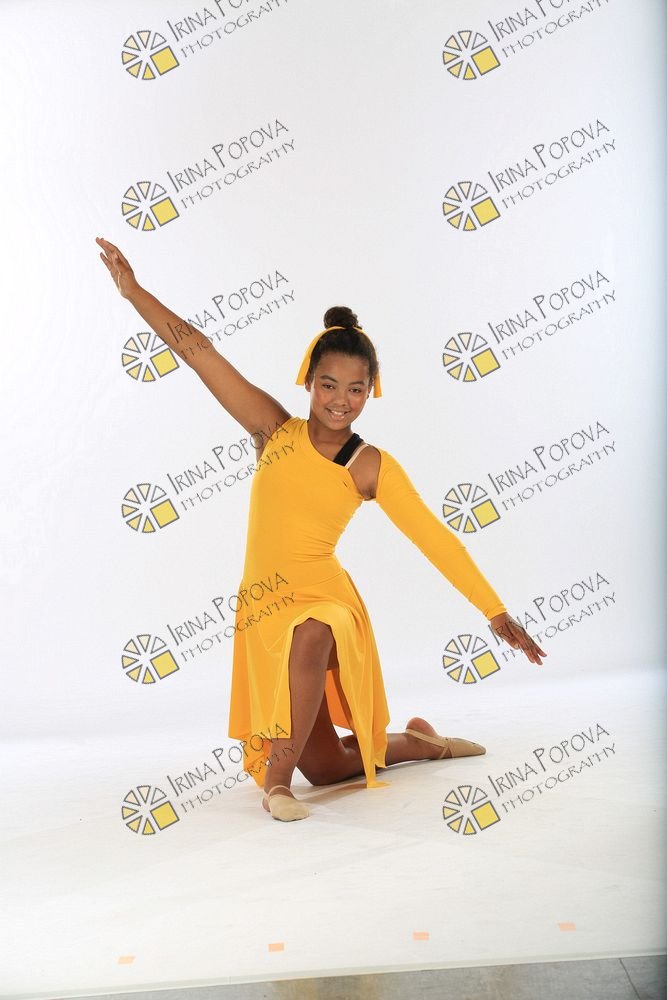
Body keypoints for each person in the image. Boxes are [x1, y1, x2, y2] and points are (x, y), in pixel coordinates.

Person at [96, 236, 547, 823]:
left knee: (313, 633)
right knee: (331, 769)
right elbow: (199, 352)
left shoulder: (370, 465)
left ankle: (276, 785)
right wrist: (133, 292)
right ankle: (420, 743)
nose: (342, 401)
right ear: (309, 380)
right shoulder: (272, 430)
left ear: (370, 391)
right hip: (264, 607)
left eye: (356, 389)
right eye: (330, 385)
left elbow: (433, 537)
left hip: (325, 600)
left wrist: (494, 610)